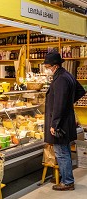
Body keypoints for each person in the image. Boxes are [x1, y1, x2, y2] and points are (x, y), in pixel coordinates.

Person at [43, 51, 85, 191]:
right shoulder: (67, 74)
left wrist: (54, 124)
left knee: (61, 152)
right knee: (64, 150)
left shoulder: (60, 79)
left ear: (54, 66)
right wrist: (69, 103)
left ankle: (67, 181)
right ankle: (66, 177)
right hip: (67, 120)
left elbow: (59, 103)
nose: (47, 69)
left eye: (48, 66)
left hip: (60, 123)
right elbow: (80, 91)